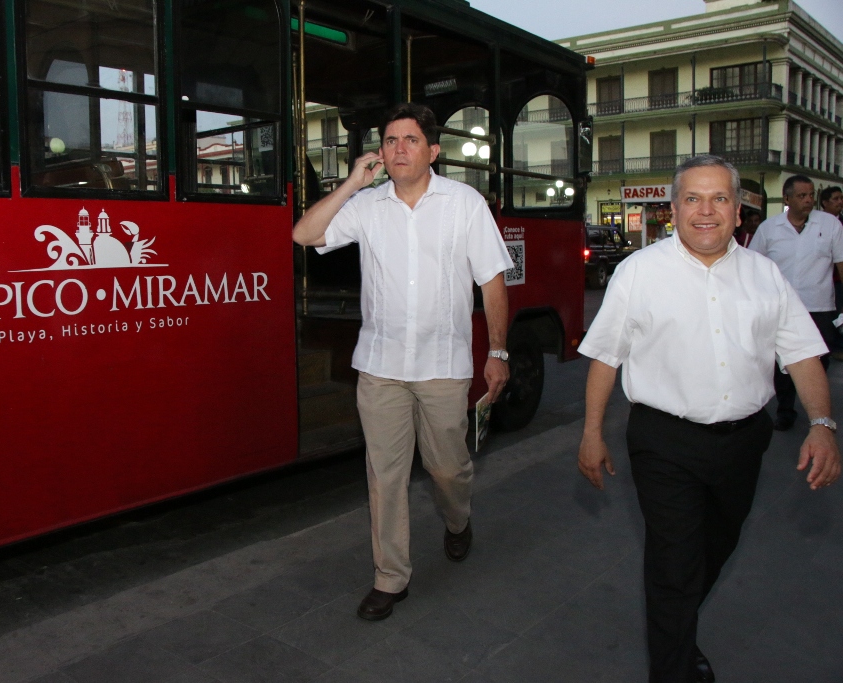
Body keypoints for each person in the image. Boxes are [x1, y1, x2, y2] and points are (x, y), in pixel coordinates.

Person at [577, 154, 841, 683]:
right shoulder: (639, 272)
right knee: (674, 565)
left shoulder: (765, 275)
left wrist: (822, 424)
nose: (706, 210)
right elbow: (606, 356)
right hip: (663, 442)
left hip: (744, 443)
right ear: (674, 209)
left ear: (737, 209)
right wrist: (591, 433)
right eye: (692, 198)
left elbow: (802, 353)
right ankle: (673, 669)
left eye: (719, 198)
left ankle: (677, 631)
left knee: (714, 549)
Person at [292, 102, 512, 621]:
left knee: (447, 469)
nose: (398, 149)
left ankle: (458, 520)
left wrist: (498, 352)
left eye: (409, 140)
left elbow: (493, 281)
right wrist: (350, 184)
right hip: (380, 367)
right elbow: (304, 234)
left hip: (443, 366)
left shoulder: (464, 203)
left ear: (432, 151)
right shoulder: (367, 206)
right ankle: (391, 577)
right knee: (384, 474)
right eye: (390, 141)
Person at [749, 175, 843, 430]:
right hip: (782, 308)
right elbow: (753, 265)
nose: (809, 200)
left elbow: (840, 263)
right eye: (802, 195)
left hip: (819, 306)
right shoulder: (770, 228)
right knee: (782, 363)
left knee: (819, 359)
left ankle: (816, 405)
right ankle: (785, 410)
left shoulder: (831, 225)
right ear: (787, 198)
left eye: (811, 195)